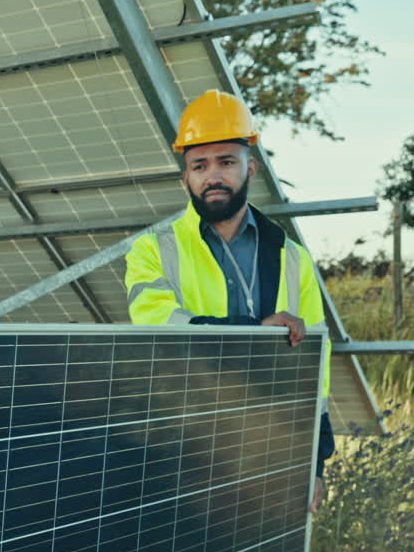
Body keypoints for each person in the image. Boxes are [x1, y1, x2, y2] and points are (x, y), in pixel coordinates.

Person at [123, 89, 336, 513]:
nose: (212, 175)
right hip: (180, 450)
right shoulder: (151, 251)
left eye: (226, 162)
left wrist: (313, 461)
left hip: (266, 450)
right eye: (199, 165)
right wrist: (252, 334)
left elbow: (314, 366)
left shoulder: (293, 259)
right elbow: (158, 326)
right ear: (185, 176)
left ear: (250, 167)